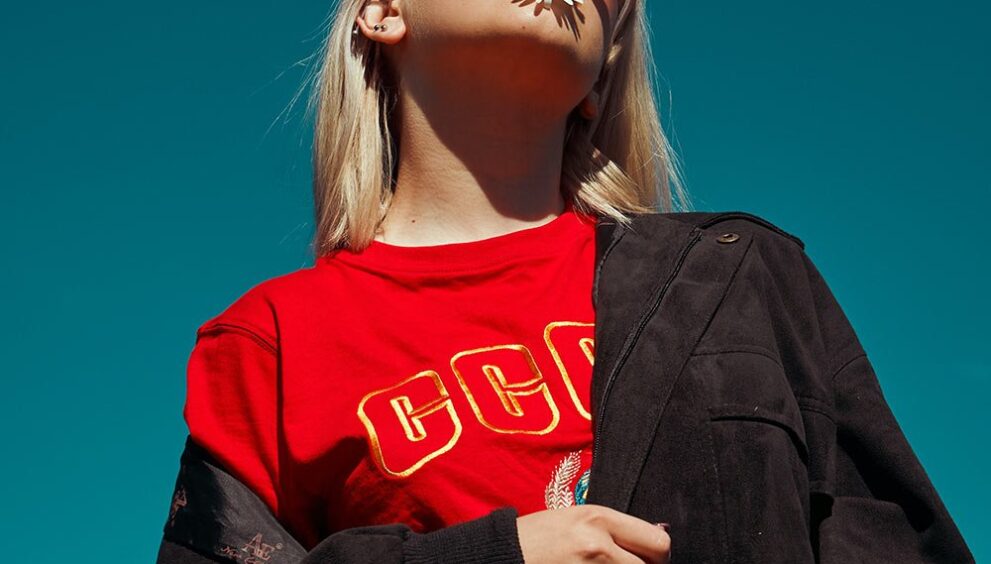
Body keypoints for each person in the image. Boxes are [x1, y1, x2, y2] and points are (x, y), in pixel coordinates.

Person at [156, 0, 975, 563]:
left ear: (608, 56)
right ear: (382, 11)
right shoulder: (268, 340)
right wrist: (495, 557)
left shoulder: (739, 276)